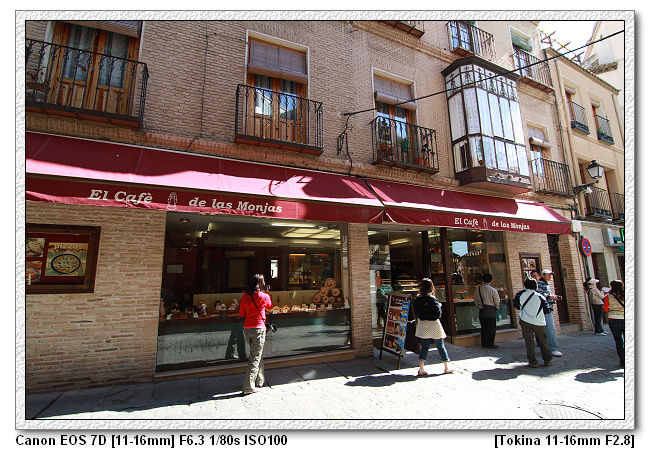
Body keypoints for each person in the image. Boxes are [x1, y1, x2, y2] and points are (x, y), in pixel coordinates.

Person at [239, 274, 273, 395]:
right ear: (262, 284)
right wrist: (267, 293)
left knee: (257, 354)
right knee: (255, 358)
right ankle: (248, 386)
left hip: (247, 329)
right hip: (259, 329)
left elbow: (241, 314)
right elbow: (270, 307)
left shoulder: (244, 297)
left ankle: (260, 380)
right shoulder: (264, 296)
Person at [413, 278, 452, 376]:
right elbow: (438, 314)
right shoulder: (432, 299)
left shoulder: (418, 299)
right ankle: (446, 367)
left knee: (424, 346)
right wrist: (439, 306)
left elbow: (417, 312)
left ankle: (421, 368)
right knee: (440, 346)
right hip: (434, 325)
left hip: (423, 324)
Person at [515, 278, 553, 368]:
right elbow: (547, 310)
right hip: (538, 321)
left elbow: (516, 306)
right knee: (542, 341)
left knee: (529, 342)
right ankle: (548, 359)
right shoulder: (540, 296)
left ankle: (532, 361)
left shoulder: (519, 295)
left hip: (525, 320)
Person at [533, 270, 563, 357]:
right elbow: (538, 294)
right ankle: (553, 348)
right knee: (550, 329)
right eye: (548, 275)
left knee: (548, 329)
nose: (550, 276)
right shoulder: (540, 284)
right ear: (542, 275)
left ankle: (548, 346)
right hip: (545, 309)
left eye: (551, 275)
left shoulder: (546, 284)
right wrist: (549, 296)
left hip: (548, 308)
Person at [474, 273, 501, 349]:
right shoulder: (493, 290)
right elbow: (496, 301)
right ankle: (490, 343)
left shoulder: (478, 289)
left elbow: (475, 299)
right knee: (491, 327)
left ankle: (484, 342)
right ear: (491, 281)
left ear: (483, 280)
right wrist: (496, 308)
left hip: (482, 310)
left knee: (483, 327)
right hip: (491, 310)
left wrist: (479, 306)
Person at [605, 280, 624, 367]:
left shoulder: (608, 296)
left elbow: (605, 309)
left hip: (613, 320)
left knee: (618, 341)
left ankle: (622, 361)